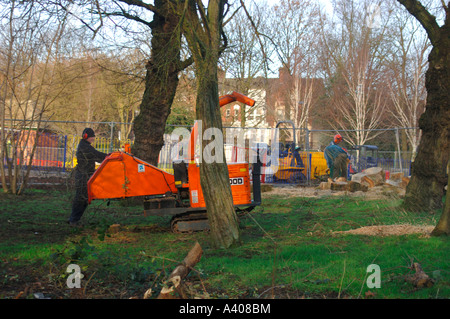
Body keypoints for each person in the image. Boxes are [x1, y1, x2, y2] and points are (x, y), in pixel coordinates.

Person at [68, 128, 108, 226]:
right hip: (83, 176)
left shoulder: (85, 146)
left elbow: (96, 156)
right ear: (86, 136)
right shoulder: (85, 147)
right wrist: (109, 156)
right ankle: (74, 220)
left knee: (84, 198)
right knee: (81, 198)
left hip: (85, 175)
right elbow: (97, 155)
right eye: (91, 137)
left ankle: (74, 219)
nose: (93, 139)